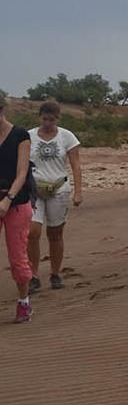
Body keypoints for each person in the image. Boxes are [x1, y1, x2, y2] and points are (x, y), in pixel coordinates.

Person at [27, 100, 84, 290]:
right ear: (39, 117)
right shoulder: (29, 136)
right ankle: (33, 275)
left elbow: (76, 164)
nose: (47, 123)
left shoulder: (67, 137)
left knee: (55, 233)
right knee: (32, 232)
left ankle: (55, 273)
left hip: (58, 188)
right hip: (34, 189)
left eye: (51, 120)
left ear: (57, 118)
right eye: (44, 119)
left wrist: (78, 191)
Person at [0, 96, 36, 321]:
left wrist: (8, 199)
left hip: (16, 202)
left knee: (17, 255)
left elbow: (22, 172)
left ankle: (24, 302)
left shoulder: (20, 135)